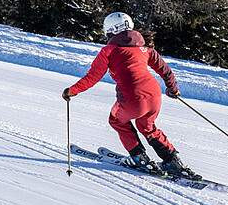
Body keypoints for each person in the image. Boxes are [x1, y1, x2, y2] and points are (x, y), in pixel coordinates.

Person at [63, 12, 196, 177]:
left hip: (132, 97)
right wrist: (172, 89)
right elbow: (165, 71)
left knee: (116, 120)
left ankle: (140, 159)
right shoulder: (145, 49)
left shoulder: (109, 50)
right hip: (154, 96)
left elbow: (92, 78)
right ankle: (174, 162)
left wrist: (72, 91)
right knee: (147, 126)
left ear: (110, 30)